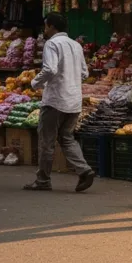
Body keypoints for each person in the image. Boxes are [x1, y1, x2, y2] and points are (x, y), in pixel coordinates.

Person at [24, 13, 96, 192]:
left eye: (45, 26)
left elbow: (50, 69)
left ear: (51, 26)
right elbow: (85, 73)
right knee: (67, 138)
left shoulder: (52, 44)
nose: (44, 29)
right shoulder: (76, 45)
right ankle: (84, 170)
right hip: (73, 101)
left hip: (55, 100)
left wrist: (34, 83)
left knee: (47, 141)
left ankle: (43, 180)